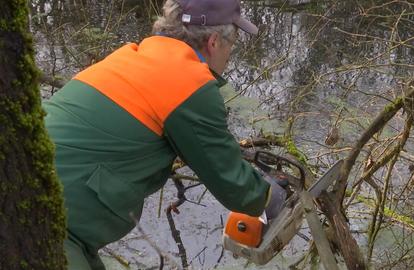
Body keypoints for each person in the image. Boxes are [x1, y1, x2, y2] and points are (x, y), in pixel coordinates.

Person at [43, 0, 284, 269]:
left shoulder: (130, 56)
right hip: (46, 219)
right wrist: (268, 197)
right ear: (214, 42)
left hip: (36, 194)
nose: (230, 54)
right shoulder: (190, 83)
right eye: (232, 43)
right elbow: (231, 182)